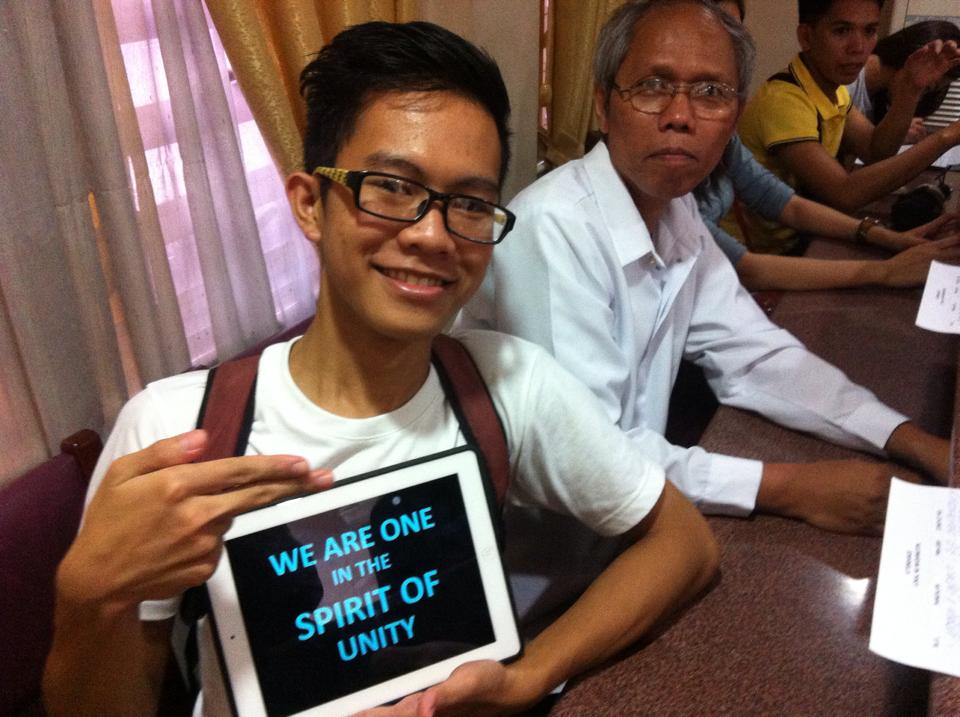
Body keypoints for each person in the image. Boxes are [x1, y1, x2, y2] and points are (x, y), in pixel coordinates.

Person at [43, 20, 718, 717]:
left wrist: (529, 676)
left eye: (469, 203)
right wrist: (90, 599)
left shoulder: (507, 384)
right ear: (310, 204)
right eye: (391, 187)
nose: (432, 235)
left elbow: (685, 544)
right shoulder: (179, 429)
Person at [460, 0, 949, 542]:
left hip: (637, 522)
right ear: (603, 105)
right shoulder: (553, 227)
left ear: (734, 118)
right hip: (540, 550)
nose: (680, 115)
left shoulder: (676, 208)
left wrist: (913, 440)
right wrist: (788, 487)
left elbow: (753, 351)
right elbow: (589, 455)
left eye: (711, 92)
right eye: (652, 86)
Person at [697, 0, 960, 291]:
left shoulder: (832, 90)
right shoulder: (784, 101)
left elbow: (874, 150)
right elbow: (844, 193)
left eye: (869, 31)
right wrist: (946, 137)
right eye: (842, 31)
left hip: (791, 246)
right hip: (764, 259)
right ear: (806, 36)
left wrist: (910, 89)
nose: (858, 47)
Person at [847, 20, 960, 141]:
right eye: (927, 88)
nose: (919, 97)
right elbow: (869, 149)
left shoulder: (880, 96)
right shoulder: (846, 84)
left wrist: (895, 128)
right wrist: (947, 137)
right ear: (912, 56)